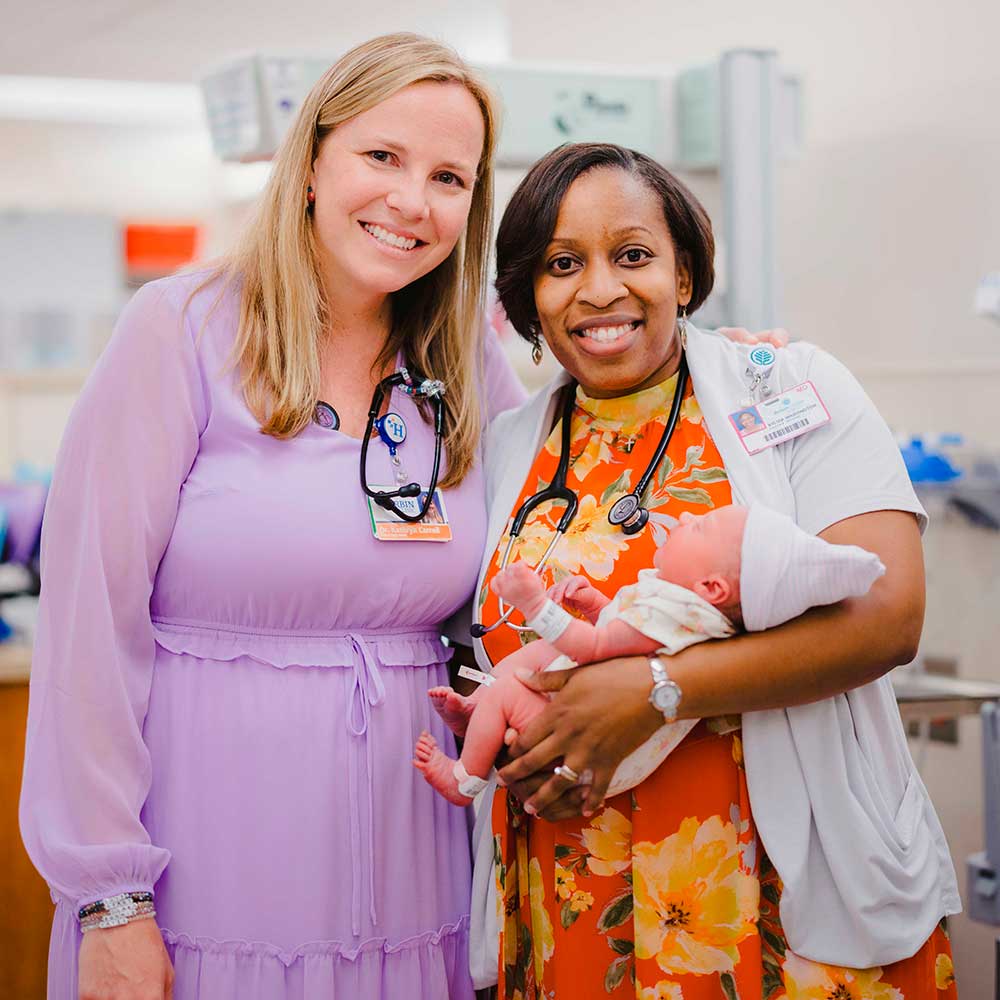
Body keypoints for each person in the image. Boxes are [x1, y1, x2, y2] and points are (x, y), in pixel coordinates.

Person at [18, 33, 527, 1000]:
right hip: (208, 871)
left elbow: (553, 526)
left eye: (449, 177)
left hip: (418, 874)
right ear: (311, 163)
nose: (412, 201)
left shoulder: (465, 361)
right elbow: (88, 626)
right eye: (382, 157)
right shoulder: (181, 331)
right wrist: (109, 897)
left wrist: (706, 370)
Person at [464, 143, 960, 998]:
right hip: (575, 894)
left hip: (778, 886)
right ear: (527, 301)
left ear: (684, 274)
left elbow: (888, 617)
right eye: (560, 264)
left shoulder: (785, 387)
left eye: (633, 255)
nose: (600, 290)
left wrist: (657, 688)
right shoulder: (508, 446)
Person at [414, 504, 885, 807]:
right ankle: (478, 719)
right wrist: (596, 605)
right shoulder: (678, 610)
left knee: (519, 677)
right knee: (525, 665)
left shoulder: (678, 614)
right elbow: (619, 634)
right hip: (585, 720)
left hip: (585, 738)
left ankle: (463, 780)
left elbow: (592, 647)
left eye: (698, 527)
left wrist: (534, 603)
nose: (682, 521)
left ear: (711, 588)